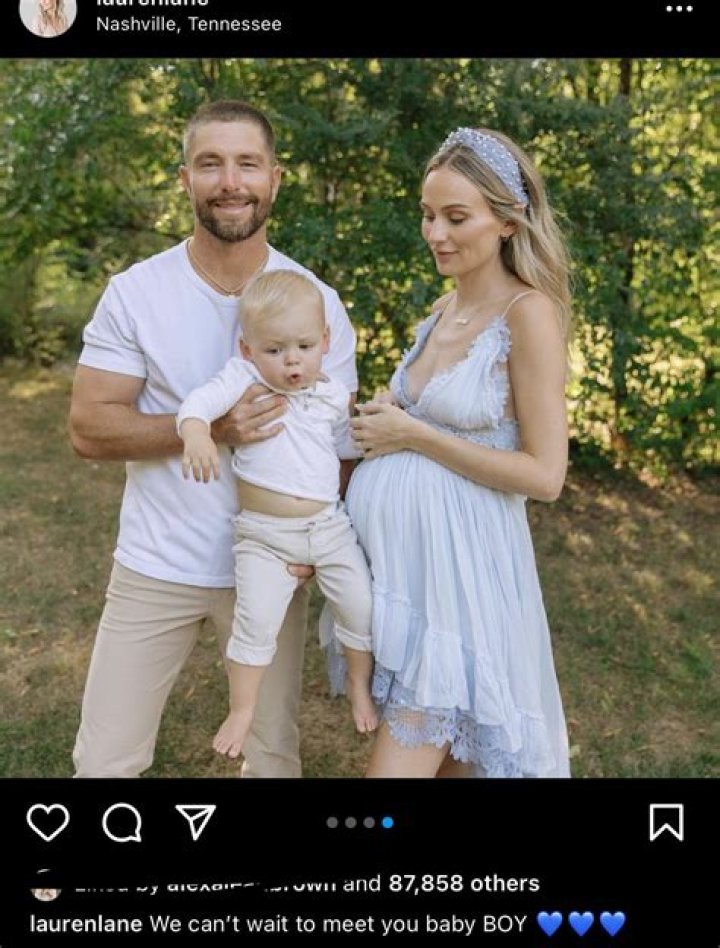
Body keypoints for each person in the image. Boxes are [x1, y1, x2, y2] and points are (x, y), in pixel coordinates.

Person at [69, 100, 359, 778]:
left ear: (275, 178)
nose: (231, 182)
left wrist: (318, 541)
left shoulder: (317, 302)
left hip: (273, 564)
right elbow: (89, 426)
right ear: (185, 179)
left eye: (247, 164)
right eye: (210, 164)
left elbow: (339, 446)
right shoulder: (136, 292)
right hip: (155, 561)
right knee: (104, 761)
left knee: (272, 758)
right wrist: (212, 430)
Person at [346, 126, 571, 778]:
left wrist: (415, 435)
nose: (435, 233)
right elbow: (420, 422)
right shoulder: (444, 309)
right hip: (418, 585)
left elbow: (546, 475)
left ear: (507, 221)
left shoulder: (527, 314)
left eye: (456, 217)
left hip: (467, 590)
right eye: (427, 214)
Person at [177, 269, 377, 758]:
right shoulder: (243, 379)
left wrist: (378, 432)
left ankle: (358, 683)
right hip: (264, 537)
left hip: (327, 528)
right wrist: (197, 433)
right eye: (274, 349)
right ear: (248, 350)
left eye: (304, 347)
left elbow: (343, 445)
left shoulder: (331, 394)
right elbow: (197, 404)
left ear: (324, 342)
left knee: (361, 605)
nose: (291, 360)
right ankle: (242, 709)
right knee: (256, 622)